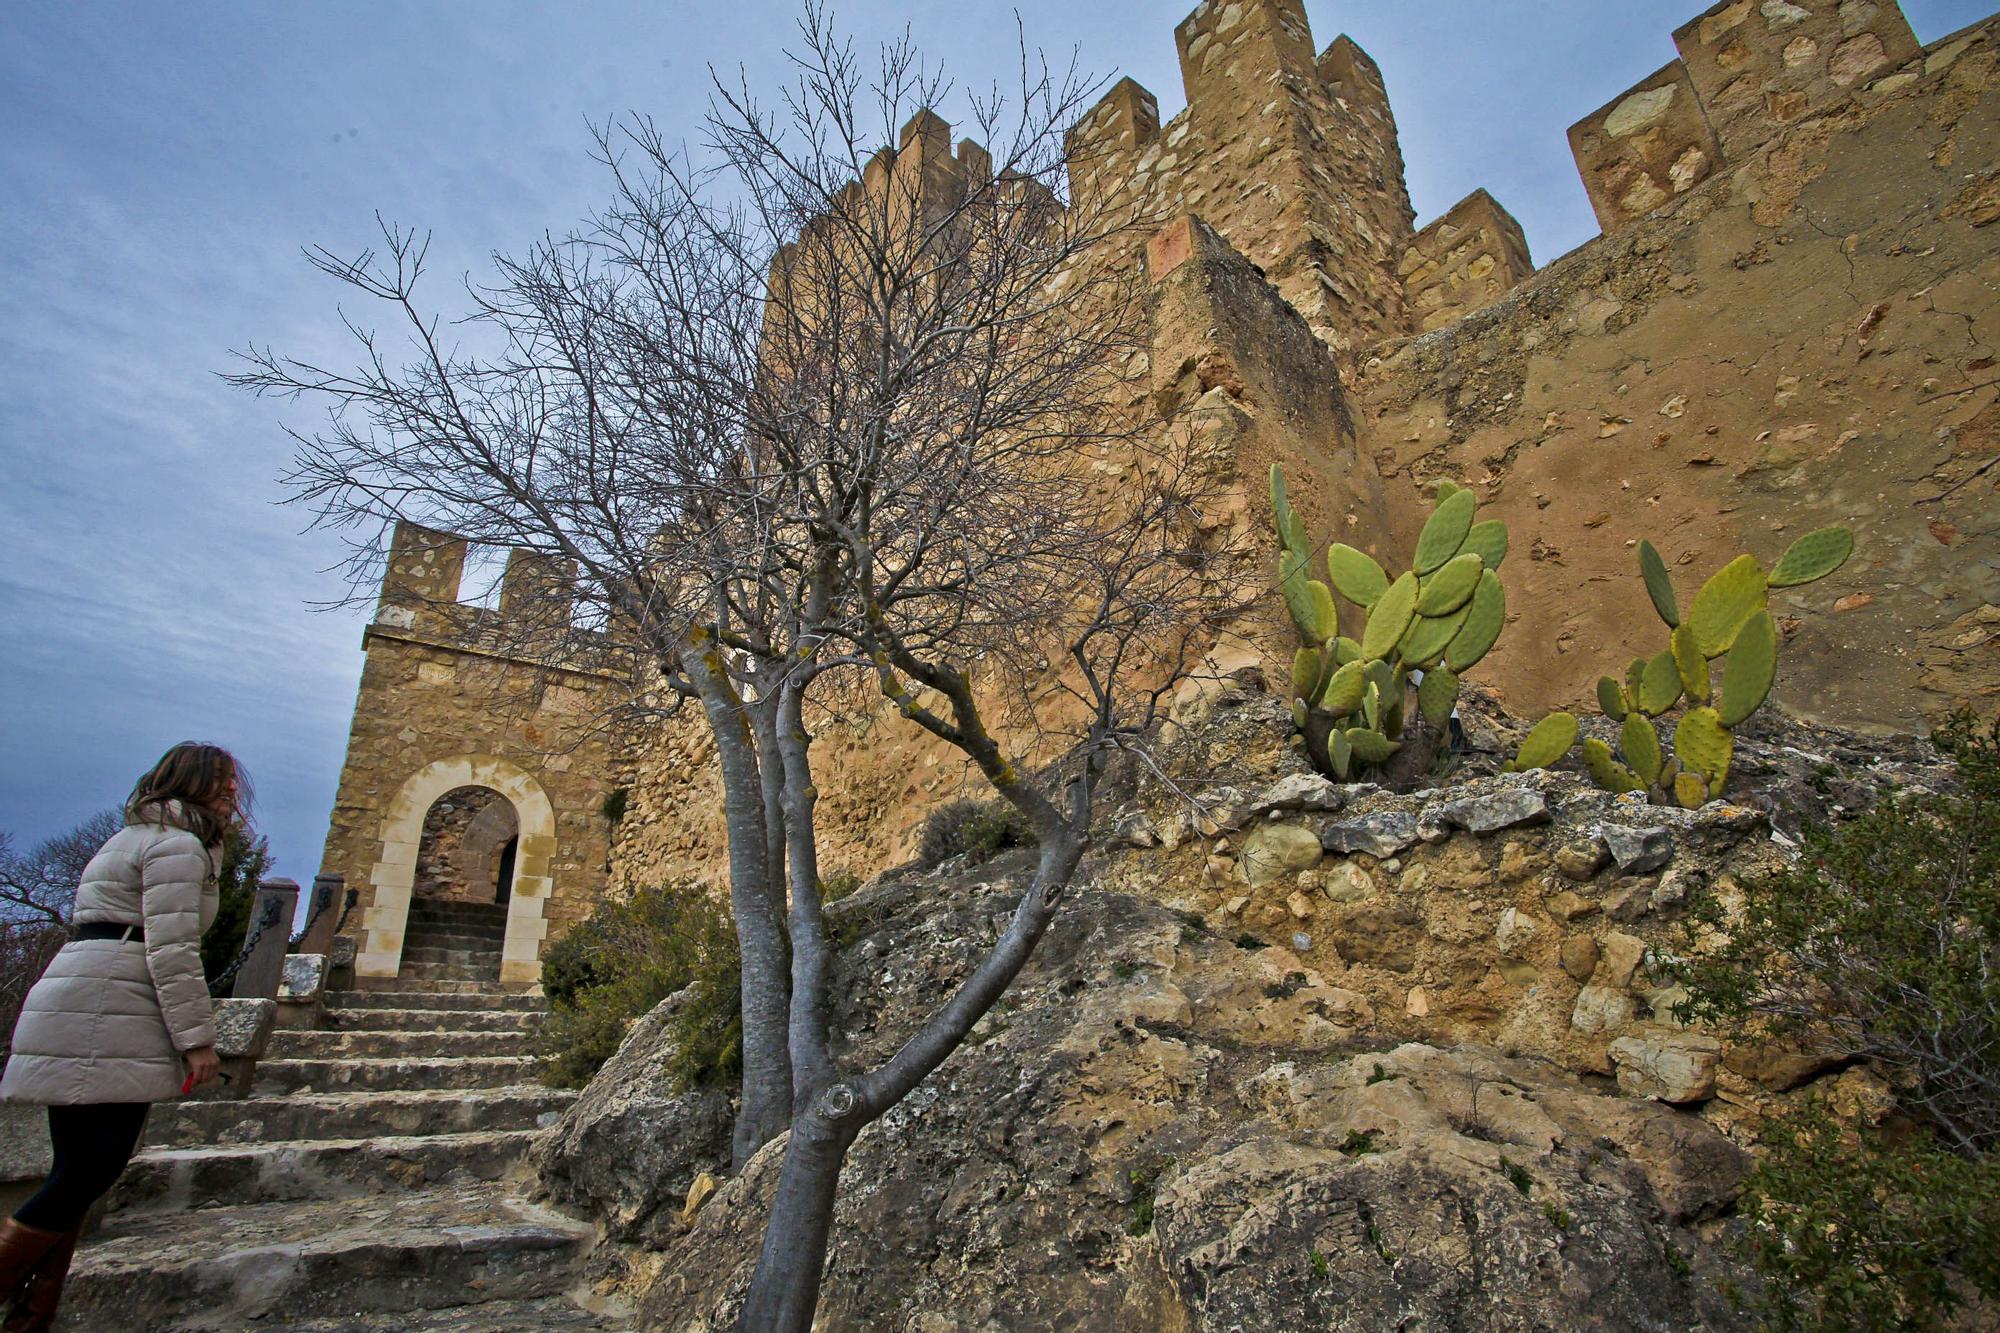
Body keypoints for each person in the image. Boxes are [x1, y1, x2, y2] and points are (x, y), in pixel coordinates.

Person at [0, 742, 248, 1330]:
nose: (235, 792)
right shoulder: (178, 846)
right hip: (112, 1007)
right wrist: (197, 1040)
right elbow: (170, 947)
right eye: (225, 781)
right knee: (92, 1169)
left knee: (76, 1170)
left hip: (80, 993)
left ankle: (30, 1317)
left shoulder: (130, 837)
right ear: (194, 783)